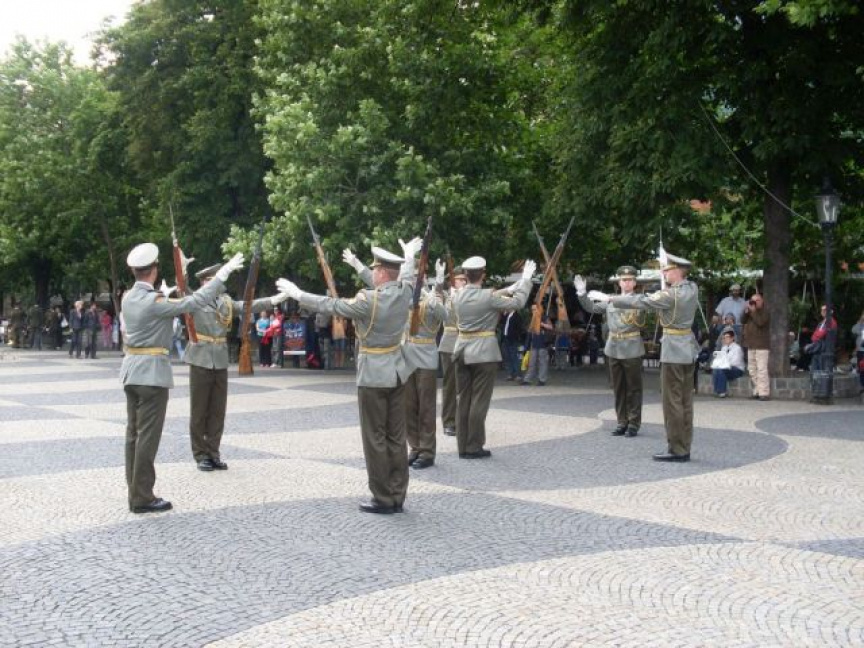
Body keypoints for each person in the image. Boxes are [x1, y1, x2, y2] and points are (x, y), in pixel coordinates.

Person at [277, 242, 421, 514]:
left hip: (373, 375)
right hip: (397, 371)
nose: (372, 272)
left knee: (375, 437)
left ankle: (382, 497)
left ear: (382, 273)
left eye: (375, 269)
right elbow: (403, 277)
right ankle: (398, 494)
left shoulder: (368, 300)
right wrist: (408, 256)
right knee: (396, 436)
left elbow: (332, 305)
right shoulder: (404, 292)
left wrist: (299, 294)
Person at [120, 242, 244, 513]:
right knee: (147, 438)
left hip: (131, 372)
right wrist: (223, 274)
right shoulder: (155, 302)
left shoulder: (128, 298)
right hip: (152, 374)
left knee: (133, 436)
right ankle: (142, 497)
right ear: (154, 270)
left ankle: (134, 490)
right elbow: (195, 301)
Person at [589, 252, 699, 462]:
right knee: (686, 402)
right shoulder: (692, 288)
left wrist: (610, 298)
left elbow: (642, 301)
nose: (664, 273)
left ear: (677, 271)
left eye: (667, 270)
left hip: (673, 352)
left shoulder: (670, 295)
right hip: (687, 349)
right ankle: (684, 445)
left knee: (673, 403)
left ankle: (677, 449)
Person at [185, 263, 289, 471]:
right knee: (199, 410)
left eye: (215, 279)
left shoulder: (225, 301)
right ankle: (200, 454)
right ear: (203, 283)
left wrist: (273, 300)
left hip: (220, 358)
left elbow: (247, 306)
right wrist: (183, 269)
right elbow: (182, 288)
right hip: (200, 358)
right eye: (209, 280)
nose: (214, 283)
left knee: (217, 410)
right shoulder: (196, 299)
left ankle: (213, 452)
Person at [450, 256, 536, 459]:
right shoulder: (488, 296)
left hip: (461, 350)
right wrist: (525, 280)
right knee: (479, 401)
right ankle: (473, 446)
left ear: (466, 275)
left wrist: (508, 288)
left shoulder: (457, 296)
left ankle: (462, 446)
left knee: (463, 400)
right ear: (483, 274)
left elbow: (482, 296)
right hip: (483, 353)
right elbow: (518, 302)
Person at [576, 265, 646, 437]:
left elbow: (630, 303)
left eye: (630, 280)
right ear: (619, 282)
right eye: (624, 280)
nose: (627, 283)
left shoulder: (640, 299)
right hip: (613, 347)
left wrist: (609, 299)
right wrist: (582, 293)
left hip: (631, 347)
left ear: (635, 283)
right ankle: (622, 421)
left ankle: (634, 423)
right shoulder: (609, 300)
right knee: (618, 388)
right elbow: (591, 308)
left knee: (634, 388)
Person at [437, 266, 467, 436]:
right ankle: (449, 421)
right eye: (459, 279)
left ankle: (463, 419)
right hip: (449, 343)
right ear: (453, 280)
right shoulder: (445, 296)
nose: (462, 282)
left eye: (464, 279)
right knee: (450, 385)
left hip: (467, 343)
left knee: (466, 384)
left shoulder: (469, 296)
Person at [741, 292, 771, 400]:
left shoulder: (765, 312)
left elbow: (760, 322)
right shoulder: (750, 312)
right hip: (751, 345)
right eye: (752, 300)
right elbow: (742, 321)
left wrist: (753, 312)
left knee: (761, 369)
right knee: (752, 369)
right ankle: (757, 390)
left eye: (757, 300)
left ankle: (764, 393)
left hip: (762, 345)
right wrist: (746, 312)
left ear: (762, 301)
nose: (754, 302)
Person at [521, 308, 553, 386]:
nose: (533, 311)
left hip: (543, 343)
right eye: (532, 310)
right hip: (534, 344)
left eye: (535, 309)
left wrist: (542, 324)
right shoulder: (532, 319)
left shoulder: (544, 318)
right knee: (531, 363)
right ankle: (527, 379)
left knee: (542, 363)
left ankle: (542, 379)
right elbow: (529, 331)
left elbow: (551, 327)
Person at [711, 330, 746, 397]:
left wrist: (724, 364)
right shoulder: (724, 348)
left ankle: (722, 392)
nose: (725, 339)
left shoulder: (737, 348)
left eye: (727, 337)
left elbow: (735, 362)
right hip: (726, 367)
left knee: (721, 370)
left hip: (737, 369)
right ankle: (716, 391)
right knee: (716, 369)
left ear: (732, 338)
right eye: (724, 338)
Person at [809, 304, 838, 371]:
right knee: (814, 370)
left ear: (831, 311)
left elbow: (821, 334)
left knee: (822, 371)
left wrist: (816, 335)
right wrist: (816, 335)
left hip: (825, 350)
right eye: (822, 310)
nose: (822, 312)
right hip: (818, 349)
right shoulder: (821, 322)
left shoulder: (831, 322)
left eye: (825, 310)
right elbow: (813, 336)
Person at [500, 308, 525, 381]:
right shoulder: (507, 315)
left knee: (514, 356)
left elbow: (519, 328)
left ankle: (518, 374)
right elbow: (502, 323)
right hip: (506, 338)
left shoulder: (517, 316)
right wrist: (504, 315)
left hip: (513, 339)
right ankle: (511, 373)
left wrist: (516, 336)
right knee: (508, 357)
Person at [852, 311, 864, 392]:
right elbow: (853, 330)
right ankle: (862, 385)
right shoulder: (861, 325)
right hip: (861, 350)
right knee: (861, 368)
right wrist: (860, 322)